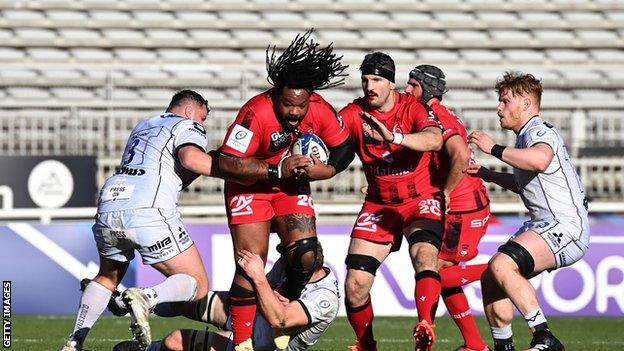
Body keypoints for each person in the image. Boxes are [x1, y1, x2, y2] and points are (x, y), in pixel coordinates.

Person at [215, 29, 353, 350]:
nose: (294, 112)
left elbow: (345, 148)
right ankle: (243, 341)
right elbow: (227, 163)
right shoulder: (256, 112)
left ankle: (283, 306)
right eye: (288, 105)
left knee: (306, 253)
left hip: (289, 187)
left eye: (300, 106)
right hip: (249, 187)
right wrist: (276, 168)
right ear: (276, 95)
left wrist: (328, 169)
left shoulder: (319, 108)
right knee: (252, 264)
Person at [61, 90, 217, 351]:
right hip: (147, 210)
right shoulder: (187, 125)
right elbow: (191, 159)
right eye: (202, 118)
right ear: (190, 111)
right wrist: (226, 165)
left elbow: (172, 172)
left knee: (106, 279)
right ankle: (145, 296)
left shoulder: (144, 125)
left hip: (110, 202)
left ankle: (73, 343)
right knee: (198, 284)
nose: (201, 125)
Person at [467, 71, 589, 351]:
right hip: (548, 224)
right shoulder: (525, 138)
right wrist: (487, 174)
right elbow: (526, 181)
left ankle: (544, 336)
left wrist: (493, 148)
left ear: (526, 104)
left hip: (565, 226)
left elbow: (540, 160)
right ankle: (504, 346)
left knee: (502, 264)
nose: (499, 108)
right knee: (491, 277)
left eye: (505, 101)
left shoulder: (537, 131)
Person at [338, 52, 444, 351]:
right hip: (379, 204)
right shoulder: (353, 112)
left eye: (377, 80)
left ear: (390, 83)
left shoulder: (412, 107)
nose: (369, 86)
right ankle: (365, 344)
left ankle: (425, 326)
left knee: (424, 255)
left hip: (419, 199)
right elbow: (329, 134)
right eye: (365, 80)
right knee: (355, 285)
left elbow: (434, 139)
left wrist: (394, 137)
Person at [112, 242, 339, 351]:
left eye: (285, 259)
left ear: (303, 267)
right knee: (189, 299)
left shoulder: (325, 298)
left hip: (262, 345)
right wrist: (272, 292)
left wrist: (259, 278)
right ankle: (134, 303)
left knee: (175, 341)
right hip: (252, 315)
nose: (280, 261)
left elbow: (280, 320)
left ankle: (146, 349)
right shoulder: (287, 266)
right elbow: (266, 291)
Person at [406, 65, 491, 351]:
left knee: (438, 275)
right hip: (458, 207)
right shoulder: (429, 116)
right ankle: (474, 344)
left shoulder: (440, 118)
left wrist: (447, 191)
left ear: (427, 90)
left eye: (413, 86)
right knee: (439, 271)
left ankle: (501, 269)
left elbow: (461, 154)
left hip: (464, 208)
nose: (408, 91)